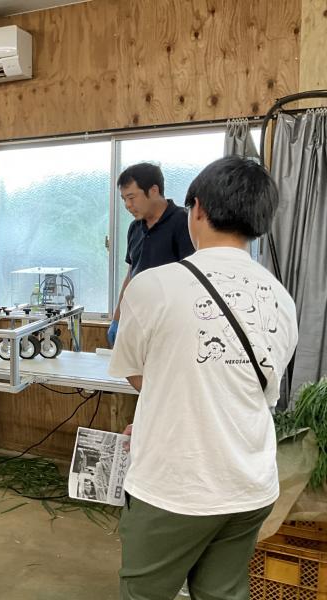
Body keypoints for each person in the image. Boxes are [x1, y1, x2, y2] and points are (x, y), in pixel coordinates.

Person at [109, 156, 298, 599]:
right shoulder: (282, 298)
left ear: (196, 210)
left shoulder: (153, 287)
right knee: (223, 593)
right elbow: (258, 392)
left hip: (177, 487)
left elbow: (140, 375)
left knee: (145, 593)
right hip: (251, 485)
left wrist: (165, 409)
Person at [109, 163, 195, 346]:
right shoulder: (134, 228)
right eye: (124, 199)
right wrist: (117, 318)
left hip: (172, 328)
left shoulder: (183, 223)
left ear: (154, 190)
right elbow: (131, 275)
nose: (127, 205)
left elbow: (192, 279)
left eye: (131, 197)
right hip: (139, 323)